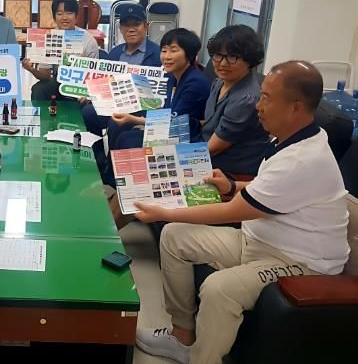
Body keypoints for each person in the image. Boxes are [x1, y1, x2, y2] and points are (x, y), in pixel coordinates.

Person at [133, 61, 349, 364]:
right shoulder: (296, 138)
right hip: (258, 242)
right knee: (174, 237)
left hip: (300, 262)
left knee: (219, 289)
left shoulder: (304, 158)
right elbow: (272, 189)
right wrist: (233, 185)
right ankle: (181, 336)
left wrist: (164, 211)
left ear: (295, 108)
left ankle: (202, 359)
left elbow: (233, 211)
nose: (258, 106)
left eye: (266, 98)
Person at [109, 28, 210, 150]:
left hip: (185, 137)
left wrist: (137, 121)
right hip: (170, 129)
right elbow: (167, 110)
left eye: (173, 51)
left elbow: (175, 121)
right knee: (117, 126)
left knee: (128, 139)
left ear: (189, 54)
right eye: (164, 50)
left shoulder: (195, 82)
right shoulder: (173, 76)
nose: (167, 57)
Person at [81, 3, 162, 136]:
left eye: (136, 24)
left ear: (146, 26)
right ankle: (97, 146)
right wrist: (91, 94)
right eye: (126, 25)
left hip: (142, 108)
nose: (131, 29)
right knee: (88, 112)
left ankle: (113, 150)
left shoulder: (159, 54)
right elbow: (105, 82)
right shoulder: (115, 53)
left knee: (116, 123)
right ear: (120, 29)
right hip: (115, 103)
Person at [202, 25, 270, 177]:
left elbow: (214, 148)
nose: (223, 63)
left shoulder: (247, 99)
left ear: (249, 60)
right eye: (218, 55)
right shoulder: (220, 82)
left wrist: (175, 158)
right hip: (210, 157)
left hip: (233, 172)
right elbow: (210, 123)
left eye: (232, 57)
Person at [22, 0, 99, 101]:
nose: (64, 17)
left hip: (81, 84)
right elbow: (46, 75)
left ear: (76, 16)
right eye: (59, 14)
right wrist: (31, 69)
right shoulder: (50, 37)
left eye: (69, 13)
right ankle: (42, 112)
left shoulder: (88, 40)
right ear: (54, 17)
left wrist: (87, 93)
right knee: (39, 89)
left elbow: (94, 75)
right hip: (59, 82)